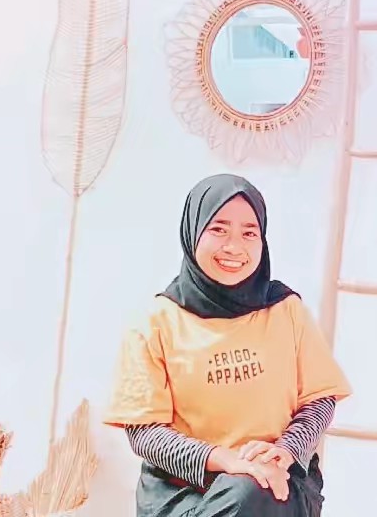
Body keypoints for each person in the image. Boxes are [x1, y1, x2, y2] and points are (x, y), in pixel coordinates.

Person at [104, 174, 352, 516]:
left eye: (249, 233)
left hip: (275, 481)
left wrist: (286, 450)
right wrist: (225, 460)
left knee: (253, 491)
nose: (234, 247)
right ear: (193, 232)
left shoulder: (286, 310)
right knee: (244, 489)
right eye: (219, 229)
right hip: (183, 494)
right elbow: (144, 432)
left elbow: (320, 399)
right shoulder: (157, 321)